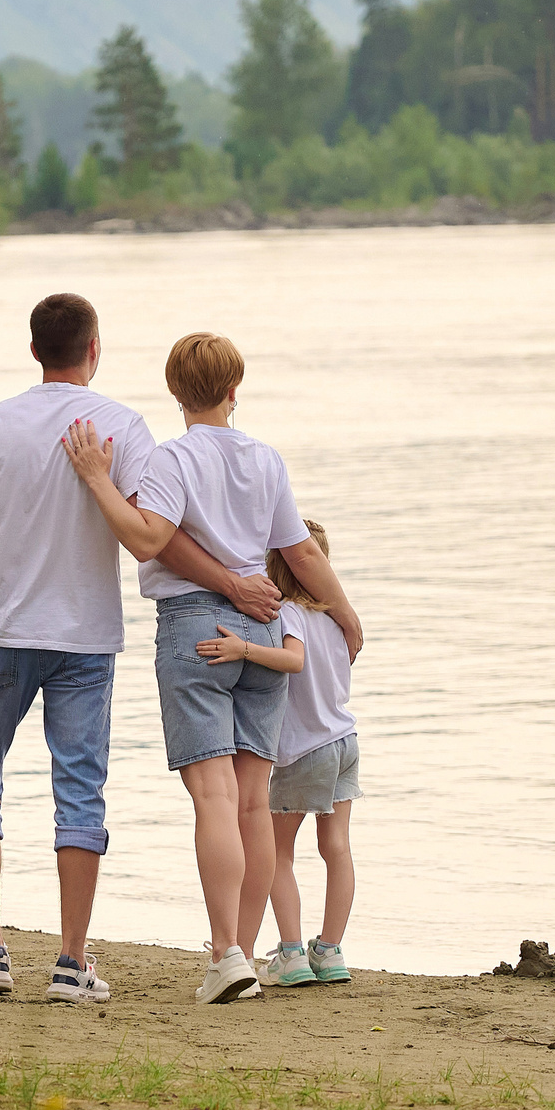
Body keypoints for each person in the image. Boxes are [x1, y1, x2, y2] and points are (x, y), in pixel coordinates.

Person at [0, 294, 280, 1004]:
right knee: (80, 792)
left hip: (3, 633)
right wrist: (236, 584)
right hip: (87, 642)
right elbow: (156, 537)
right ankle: (72, 964)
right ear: (94, 348)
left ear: (35, 349)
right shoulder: (123, 427)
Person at [63, 331, 361, 1006]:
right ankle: (248, 954)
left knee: (215, 799)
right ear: (234, 390)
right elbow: (302, 557)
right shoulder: (265, 459)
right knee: (255, 801)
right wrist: (344, 611)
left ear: (176, 393)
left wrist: (97, 480)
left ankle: (227, 953)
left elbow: (146, 539)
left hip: (197, 629)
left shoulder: (172, 461)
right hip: (262, 623)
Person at [230, 520, 359, 985]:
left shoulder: (288, 615)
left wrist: (242, 648)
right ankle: (330, 951)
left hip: (304, 749)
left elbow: (293, 660)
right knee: (337, 848)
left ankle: (291, 953)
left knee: (279, 851)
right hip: (345, 741)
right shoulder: (337, 620)